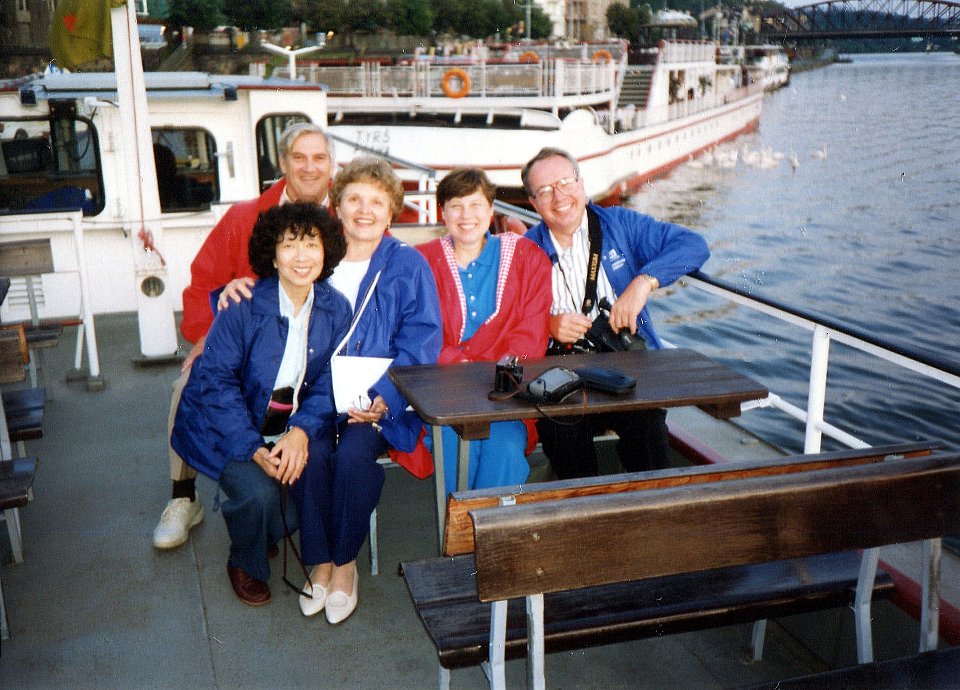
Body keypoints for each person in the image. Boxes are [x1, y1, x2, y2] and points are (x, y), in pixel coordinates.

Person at [219, 156, 442, 623]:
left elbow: (421, 342)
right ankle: (318, 561)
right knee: (313, 453)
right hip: (314, 399)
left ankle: (344, 565)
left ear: (391, 211)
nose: (364, 211)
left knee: (356, 455)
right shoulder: (319, 253)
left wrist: (384, 399)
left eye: (376, 202)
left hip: (376, 404)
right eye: (354, 199)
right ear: (336, 206)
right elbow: (274, 295)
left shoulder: (408, 265)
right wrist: (235, 286)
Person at [153, 122, 335, 550]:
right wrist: (209, 331)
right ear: (283, 164)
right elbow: (202, 284)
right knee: (188, 385)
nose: (309, 167)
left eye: (319, 158)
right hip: (242, 351)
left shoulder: (346, 218)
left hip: (313, 356)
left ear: (332, 165)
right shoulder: (243, 217)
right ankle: (184, 496)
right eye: (299, 157)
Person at [171, 202, 351, 606]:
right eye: (289, 245)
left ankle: (261, 529)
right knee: (259, 495)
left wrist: (302, 430)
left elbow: (329, 380)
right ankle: (245, 561)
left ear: (327, 252)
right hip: (227, 426)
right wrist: (251, 447)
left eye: (312, 244)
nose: (301, 257)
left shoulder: (336, 308)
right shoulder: (242, 306)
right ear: (272, 255)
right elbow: (216, 385)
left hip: (287, 424)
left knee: (299, 503)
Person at [522, 147, 710, 479]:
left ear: (581, 183)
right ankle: (586, 506)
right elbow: (514, 321)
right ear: (533, 203)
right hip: (564, 374)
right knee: (562, 439)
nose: (559, 196)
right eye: (545, 190)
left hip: (627, 368)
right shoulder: (525, 249)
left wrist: (643, 282)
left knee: (648, 436)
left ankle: (650, 504)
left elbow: (693, 245)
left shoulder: (620, 224)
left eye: (565, 182)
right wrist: (548, 325)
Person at [418, 168, 551, 496]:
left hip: (505, 393)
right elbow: (417, 332)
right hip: (445, 390)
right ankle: (462, 524)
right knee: (453, 447)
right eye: (456, 206)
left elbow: (532, 334)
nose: (466, 216)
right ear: (443, 213)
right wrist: (455, 364)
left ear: (491, 210)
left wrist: (491, 378)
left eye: (475, 205)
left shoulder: (526, 258)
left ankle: (489, 526)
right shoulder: (422, 261)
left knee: (504, 448)